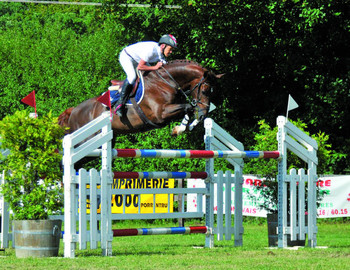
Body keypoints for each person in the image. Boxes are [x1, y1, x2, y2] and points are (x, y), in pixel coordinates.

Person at [114, 34, 177, 117]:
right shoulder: (151, 51)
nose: (171, 51)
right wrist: (155, 67)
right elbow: (140, 67)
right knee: (132, 76)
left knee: (150, 76)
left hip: (137, 59)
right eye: (170, 49)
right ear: (163, 46)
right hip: (127, 56)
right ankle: (119, 104)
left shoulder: (161, 54)